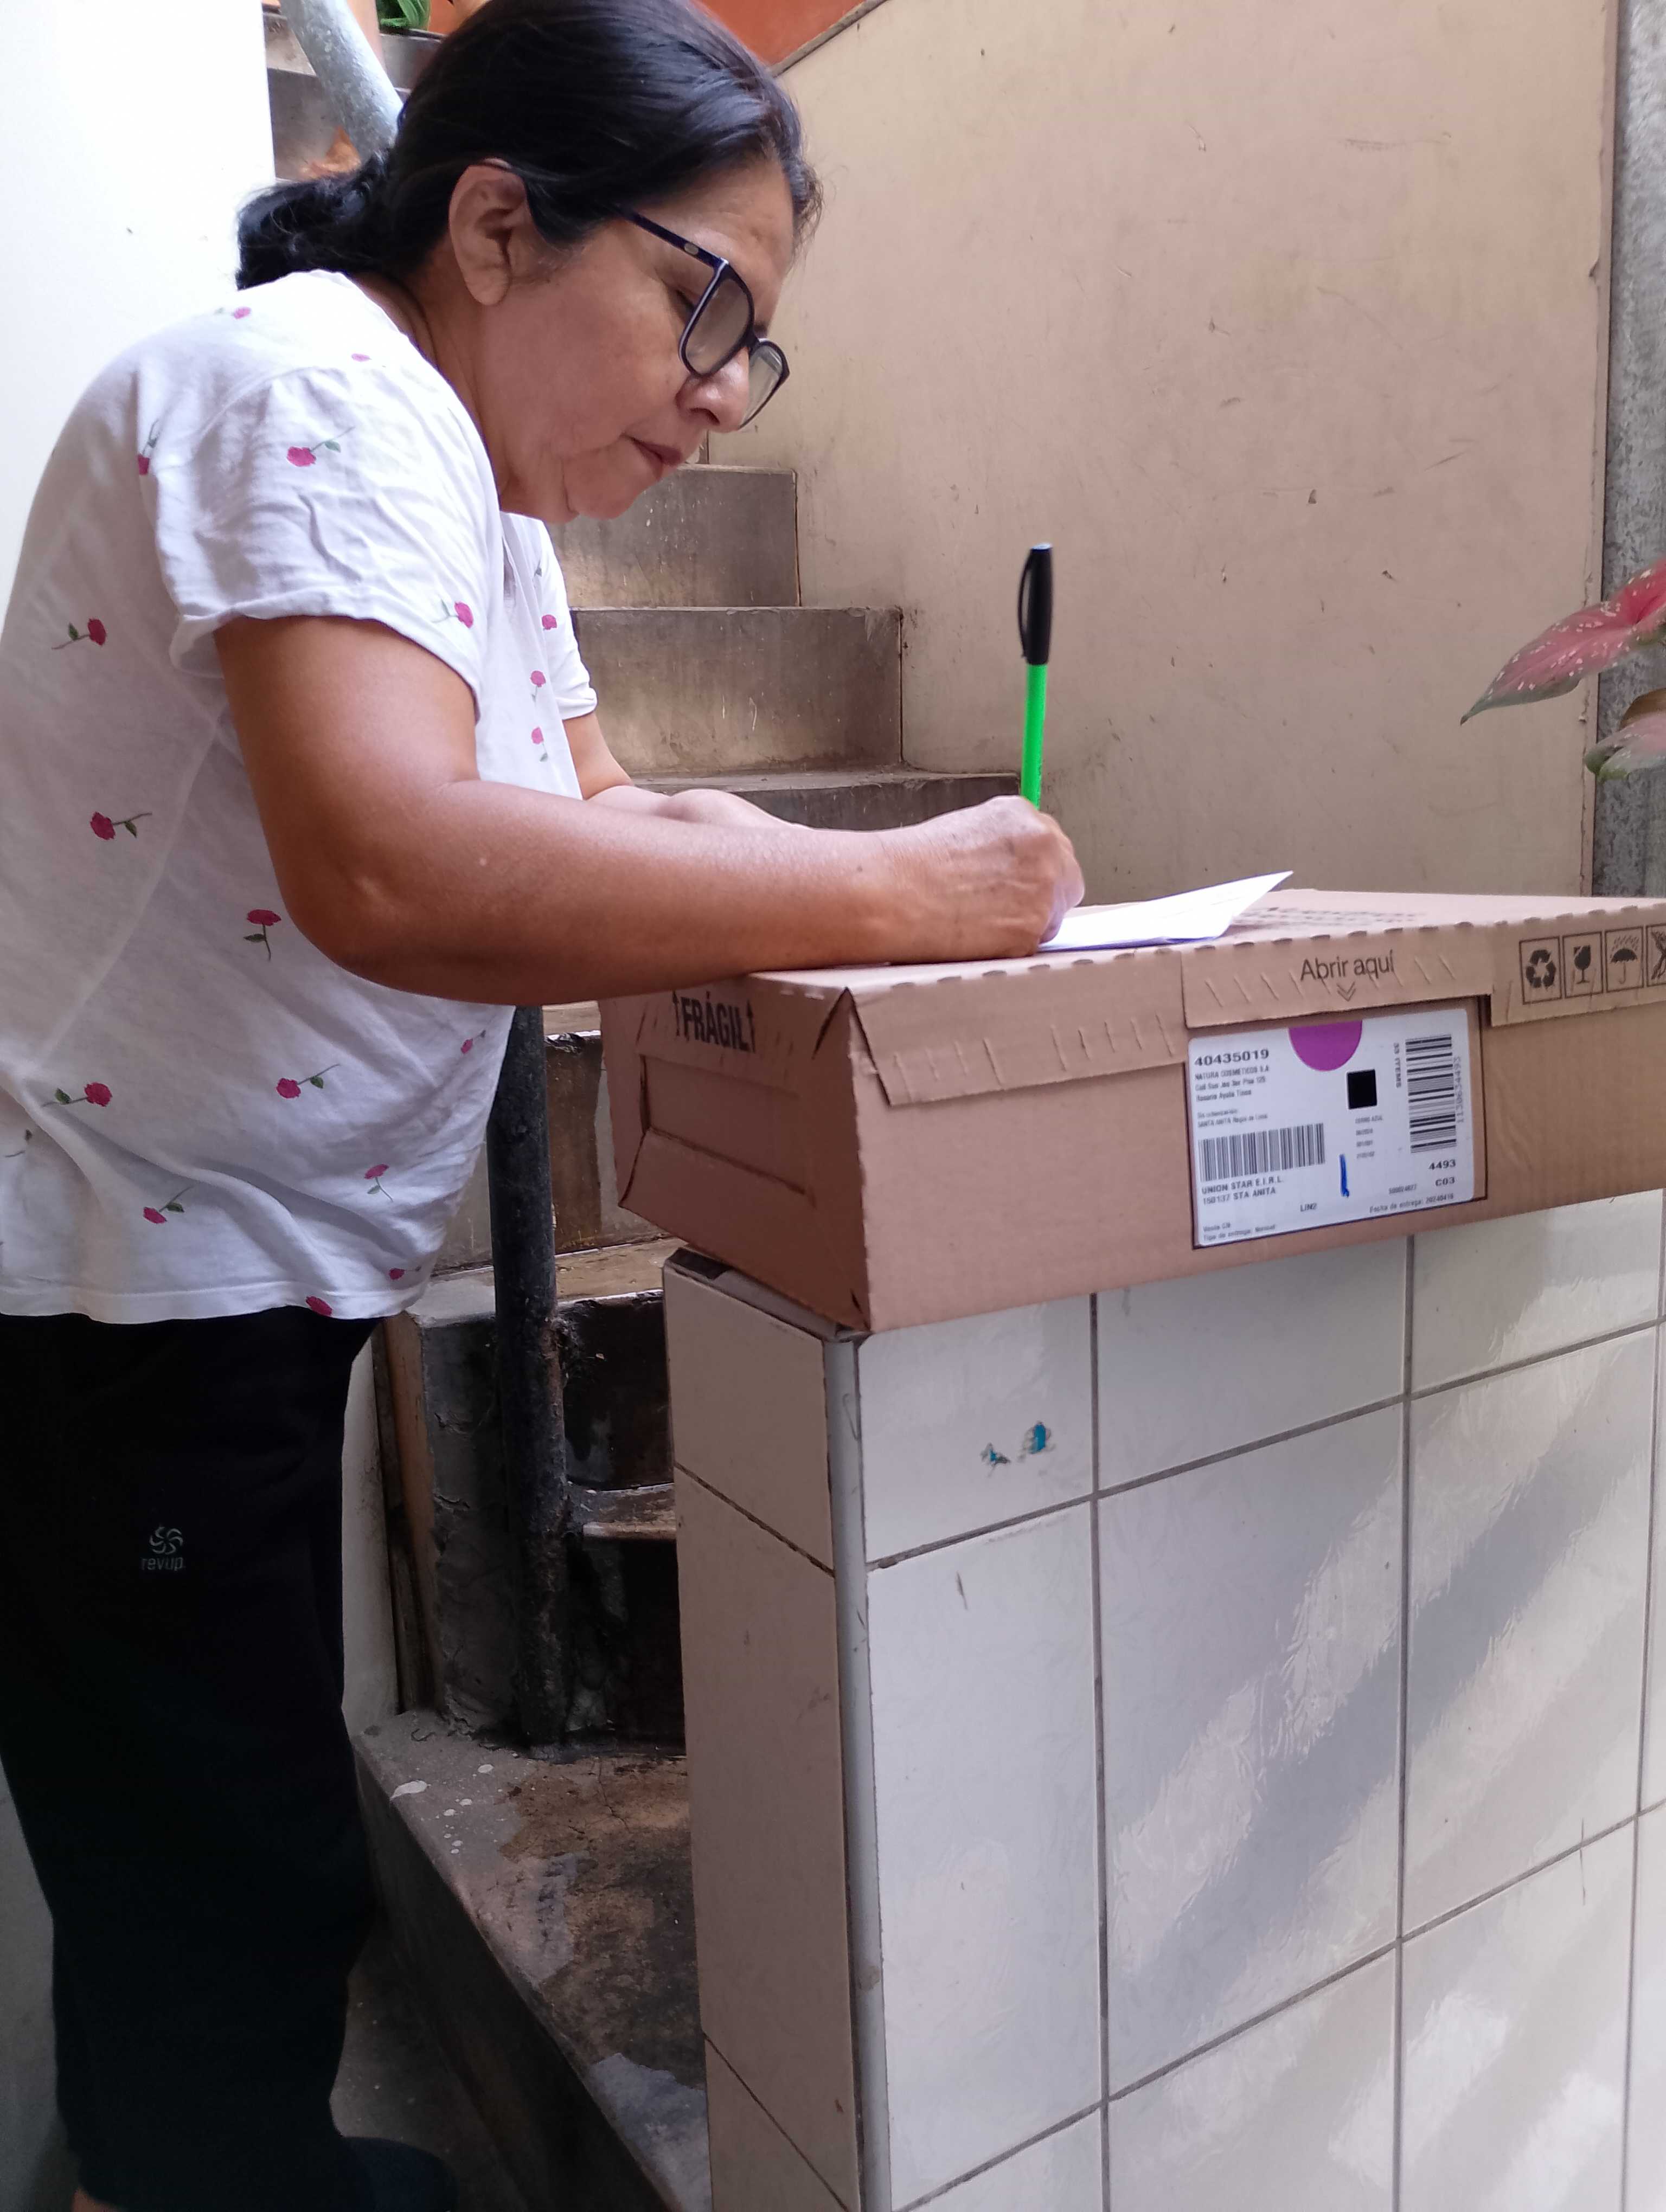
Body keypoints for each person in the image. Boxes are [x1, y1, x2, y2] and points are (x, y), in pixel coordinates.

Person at [0, 1, 1082, 2206]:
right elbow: (395, 862)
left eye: (754, 349)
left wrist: (894, 885)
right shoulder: (317, 392)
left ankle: (194, 2164)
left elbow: (609, 810)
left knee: (209, 1808)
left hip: (230, 1267)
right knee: (216, 1853)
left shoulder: (472, 490)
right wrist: (897, 891)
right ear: (500, 226)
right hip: (128, 1280)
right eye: (706, 306)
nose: (724, 393)